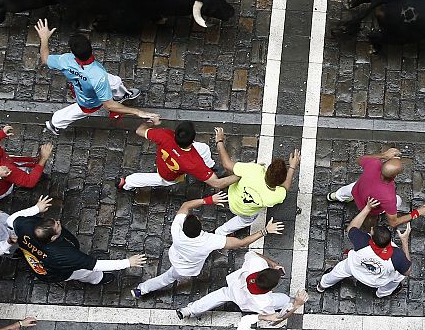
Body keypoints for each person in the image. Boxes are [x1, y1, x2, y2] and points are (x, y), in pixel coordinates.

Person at [131, 192, 284, 298]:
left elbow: (185, 206)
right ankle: (143, 290)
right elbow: (241, 243)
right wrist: (265, 231)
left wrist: (208, 200)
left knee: (167, 278)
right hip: (187, 267)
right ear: (199, 225)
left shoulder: (176, 230)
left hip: (178, 257)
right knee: (168, 277)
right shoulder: (209, 241)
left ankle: (141, 290)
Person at [35, 19, 156, 136]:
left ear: (73, 53)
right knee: (76, 111)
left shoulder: (65, 60)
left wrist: (44, 38)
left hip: (84, 84)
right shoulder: (99, 76)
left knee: (115, 81)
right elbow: (109, 105)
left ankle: (121, 95)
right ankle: (55, 123)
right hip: (89, 100)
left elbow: (45, 58)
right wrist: (138, 112)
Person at [177, 250, 308, 326]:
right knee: (285, 300)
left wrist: (272, 264)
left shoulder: (256, 264)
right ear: (270, 289)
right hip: (249, 304)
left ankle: (189, 310)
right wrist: (296, 304)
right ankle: (291, 301)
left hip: (234, 289)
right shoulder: (264, 302)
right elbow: (277, 319)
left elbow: (253, 253)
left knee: (216, 297)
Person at [316, 197, 411, 297]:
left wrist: (368, 208)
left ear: (372, 240)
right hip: (377, 280)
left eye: (371, 231)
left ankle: (322, 285)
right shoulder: (397, 255)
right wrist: (404, 242)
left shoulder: (363, 242)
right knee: (399, 276)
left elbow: (351, 228)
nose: (370, 230)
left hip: (355, 269)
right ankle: (382, 293)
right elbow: (407, 271)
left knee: (339, 270)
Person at [12, 214, 145, 285]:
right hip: (57, 272)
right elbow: (96, 265)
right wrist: (127, 263)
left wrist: (36, 208)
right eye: (57, 225)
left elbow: (12, 219)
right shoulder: (65, 255)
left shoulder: (26, 226)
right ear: (53, 238)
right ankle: (98, 279)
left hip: (36, 261)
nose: (58, 222)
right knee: (85, 272)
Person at [214, 127, 300, 236]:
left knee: (238, 172)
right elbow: (286, 187)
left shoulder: (254, 170)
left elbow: (227, 164)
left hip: (232, 198)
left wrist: (219, 141)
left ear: (267, 170)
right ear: (280, 182)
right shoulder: (277, 196)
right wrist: (292, 167)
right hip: (246, 212)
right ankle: (221, 232)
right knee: (244, 221)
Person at [327, 147, 425, 228]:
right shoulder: (388, 197)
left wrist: (384, 155)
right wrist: (418, 212)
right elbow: (393, 222)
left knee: (345, 191)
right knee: (398, 201)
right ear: (395, 176)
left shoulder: (374, 164)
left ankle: (333, 196)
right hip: (369, 207)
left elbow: (360, 159)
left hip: (357, 189)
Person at [118, 121, 239, 191]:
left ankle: (210, 166)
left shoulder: (164, 135)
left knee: (204, 148)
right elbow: (217, 183)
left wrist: (149, 121)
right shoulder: (194, 163)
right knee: (159, 179)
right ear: (192, 140)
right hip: (170, 175)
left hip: (165, 161)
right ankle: (128, 183)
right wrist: (240, 176)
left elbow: (140, 130)